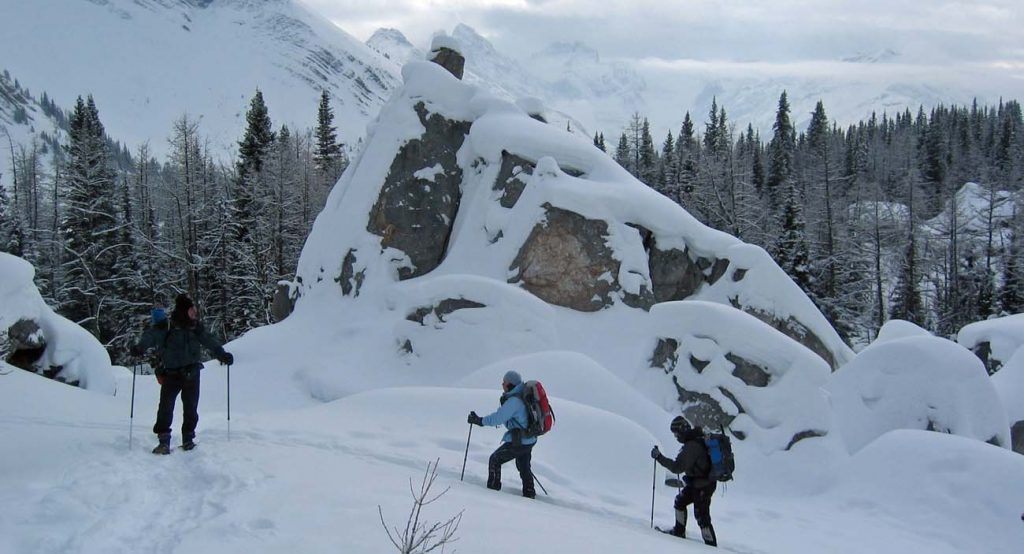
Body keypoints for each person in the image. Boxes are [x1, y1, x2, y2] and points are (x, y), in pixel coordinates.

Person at [131, 294, 233, 455]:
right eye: (192, 310)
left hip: (192, 373)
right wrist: (139, 348)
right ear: (185, 310)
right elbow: (150, 336)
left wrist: (222, 354)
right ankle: (164, 441)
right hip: (171, 374)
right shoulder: (167, 326)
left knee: (191, 408)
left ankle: (188, 440)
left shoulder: (195, 327)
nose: (194, 312)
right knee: (166, 407)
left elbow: (209, 340)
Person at [467, 370, 537, 498]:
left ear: (510, 384)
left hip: (520, 441)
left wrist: (480, 421)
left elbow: (498, 418)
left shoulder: (514, 402)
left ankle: (492, 492)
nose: (502, 384)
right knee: (523, 466)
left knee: (495, 459)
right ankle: (529, 492)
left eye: (504, 382)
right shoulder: (521, 395)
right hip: (529, 439)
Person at [651, 416, 718, 547]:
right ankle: (679, 531)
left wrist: (659, 457)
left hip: (703, 485)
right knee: (680, 501)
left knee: (701, 515)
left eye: (676, 433)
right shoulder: (696, 440)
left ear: (682, 431)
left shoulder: (692, 446)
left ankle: (711, 546)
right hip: (698, 483)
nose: (676, 437)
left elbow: (677, 467)